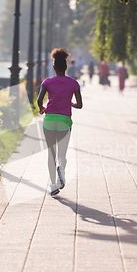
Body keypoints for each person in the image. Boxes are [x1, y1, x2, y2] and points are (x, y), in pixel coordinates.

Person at [37, 48, 83, 196]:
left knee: (51, 154)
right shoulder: (73, 83)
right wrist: (71, 104)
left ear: (54, 67)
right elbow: (80, 104)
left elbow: (39, 100)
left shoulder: (47, 82)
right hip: (64, 120)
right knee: (62, 153)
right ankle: (61, 168)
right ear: (66, 67)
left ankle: (53, 185)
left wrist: (42, 108)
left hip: (49, 120)